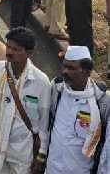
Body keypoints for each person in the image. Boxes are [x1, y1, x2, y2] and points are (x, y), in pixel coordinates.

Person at [0, 27, 51, 174]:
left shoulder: (41, 82)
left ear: (29, 53)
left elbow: (43, 123)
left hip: (20, 154)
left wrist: (41, 156)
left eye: (17, 49)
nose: (10, 52)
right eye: (9, 47)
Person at [43, 46, 109, 174]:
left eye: (71, 68)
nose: (65, 71)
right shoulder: (57, 89)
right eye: (64, 66)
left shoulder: (101, 102)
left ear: (87, 71)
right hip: (52, 169)